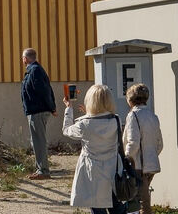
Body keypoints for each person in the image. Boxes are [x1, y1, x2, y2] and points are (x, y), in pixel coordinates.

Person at [63, 84, 125, 214]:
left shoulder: (84, 124)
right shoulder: (116, 120)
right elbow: (101, 122)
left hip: (92, 171)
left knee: (96, 207)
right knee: (116, 205)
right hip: (113, 169)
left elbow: (67, 130)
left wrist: (69, 109)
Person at [122, 83, 162, 214]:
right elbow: (160, 143)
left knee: (136, 201)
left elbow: (133, 141)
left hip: (137, 164)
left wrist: (126, 159)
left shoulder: (133, 115)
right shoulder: (153, 116)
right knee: (144, 198)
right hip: (151, 164)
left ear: (130, 100)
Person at [21, 48, 57, 179]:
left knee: (39, 141)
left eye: (23, 58)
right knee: (36, 140)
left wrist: (51, 108)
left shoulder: (35, 71)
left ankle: (43, 171)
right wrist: (52, 107)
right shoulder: (35, 70)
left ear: (25, 58)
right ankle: (40, 169)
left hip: (37, 111)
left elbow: (44, 91)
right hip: (36, 110)